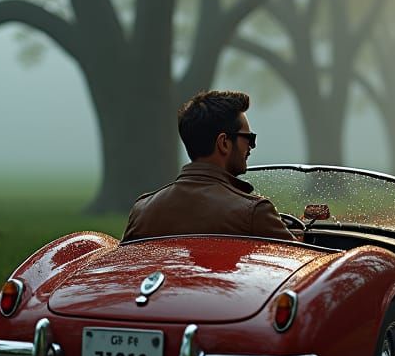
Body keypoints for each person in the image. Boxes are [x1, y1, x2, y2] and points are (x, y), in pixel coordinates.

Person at [121, 90, 298, 243]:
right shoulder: (254, 213)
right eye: (249, 138)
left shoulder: (143, 211)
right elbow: (300, 270)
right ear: (224, 143)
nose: (251, 146)